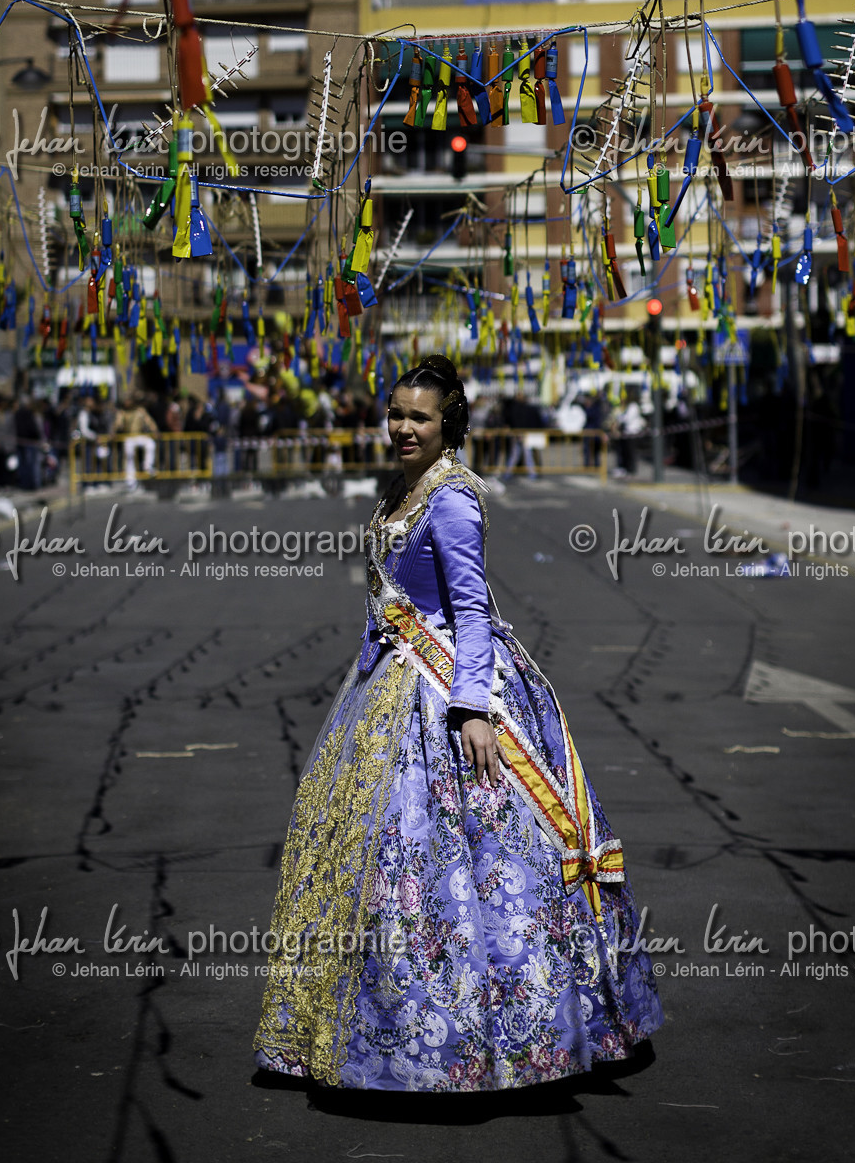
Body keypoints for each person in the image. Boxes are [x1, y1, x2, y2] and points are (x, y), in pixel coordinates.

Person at [254, 353, 662, 1093]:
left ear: (449, 425)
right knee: (365, 863)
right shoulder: (400, 487)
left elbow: (471, 612)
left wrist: (472, 708)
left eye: (419, 417)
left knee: (456, 868)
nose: (402, 427)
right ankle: (346, 1033)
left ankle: (480, 1043)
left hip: (444, 694)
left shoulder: (451, 499)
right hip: (383, 687)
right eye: (396, 413)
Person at [113, 394, 159, 490]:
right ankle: (131, 481)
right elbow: (118, 424)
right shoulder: (122, 412)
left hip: (139, 436)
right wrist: (115, 430)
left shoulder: (140, 411)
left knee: (150, 444)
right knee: (129, 456)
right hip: (129, 437)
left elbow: (149, 421)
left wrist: (155, 430)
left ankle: (148, 466)